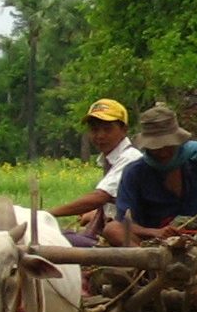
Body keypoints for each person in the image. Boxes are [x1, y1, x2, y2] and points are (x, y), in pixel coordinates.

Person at [114, 103, 197, 249]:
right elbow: (124, 222)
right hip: (154, 242)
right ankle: (150, 266)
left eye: (168, 146)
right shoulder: (135, 172)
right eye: (156, 148)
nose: (163, 153)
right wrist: (155, 232)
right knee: (112, 229)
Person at [47, 98, 143, 244]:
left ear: (124, 130)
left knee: (59, 241)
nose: (100, 135)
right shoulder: (109, 160)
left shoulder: (130, 158)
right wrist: (93, 214)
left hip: (134, 231)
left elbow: (100, 197)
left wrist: (48, 213)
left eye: (107, 129)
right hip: (118, 227)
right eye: (94, 129)